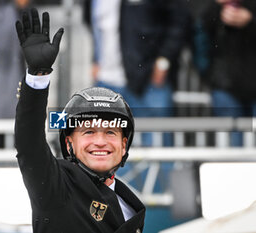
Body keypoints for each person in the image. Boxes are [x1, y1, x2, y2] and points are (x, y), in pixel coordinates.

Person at [15, 8, 146, 233]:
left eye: (111, 132)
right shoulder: (56, 187)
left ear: (124, 146)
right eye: (88, 132)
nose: (100, 141)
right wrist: (37, 77)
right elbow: (29, 146)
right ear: (68, 144)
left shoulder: (130, 205)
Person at [88, 0, 191, 146]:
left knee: (157, 147)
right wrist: (95, 58)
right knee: (111, 149)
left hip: (148, 79)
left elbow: (180, 19)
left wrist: (164, 61)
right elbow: (96, 24)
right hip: (106, 80)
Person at [197, 0, 256, 146]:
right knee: (232, 147)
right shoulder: (212, 9)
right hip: (225, 85)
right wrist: (217, 7)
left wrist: (251, 20)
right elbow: (198, 34)